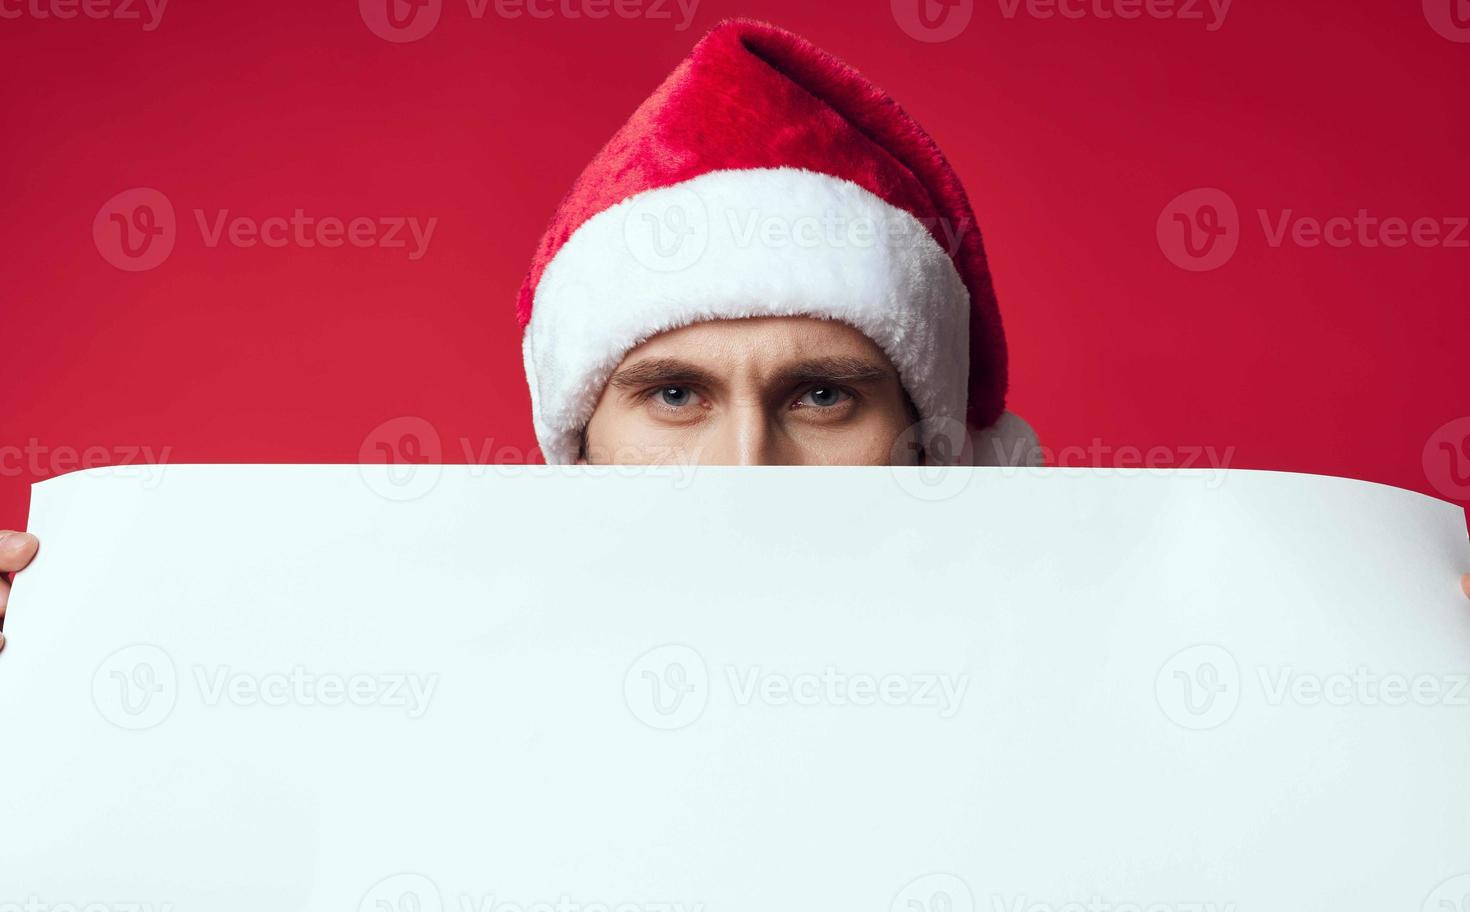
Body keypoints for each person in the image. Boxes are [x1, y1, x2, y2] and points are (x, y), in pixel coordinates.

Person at [1, 21, 1466, 649]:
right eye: (675, 393)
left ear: (935, 442)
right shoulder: (397, 683)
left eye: (823, 394)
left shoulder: (1140, 696)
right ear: (579, 441)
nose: (745, 466)